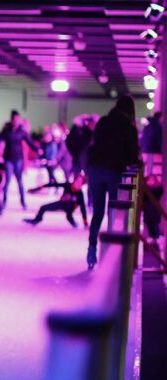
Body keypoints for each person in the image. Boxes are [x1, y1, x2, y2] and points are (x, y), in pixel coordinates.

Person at [86, 94, 140, 269]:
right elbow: (132, 155)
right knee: (113, 212)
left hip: (96, 171)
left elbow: (93, 145)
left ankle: (92, 249)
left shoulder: (102, 122)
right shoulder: (129, 128)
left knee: (98, 212)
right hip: (113, 172)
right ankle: (109, 253)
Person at [0, 110, 38, 211]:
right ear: (11, 119)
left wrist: (37, 149)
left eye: (17, 119)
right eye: (14, 119)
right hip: (8, 159)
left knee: (20, 182)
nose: (16, 121)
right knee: (7, 181)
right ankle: (4, 202)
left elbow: (29, 142)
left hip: (18, 159)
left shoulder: (22, 131)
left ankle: (23, 202)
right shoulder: (6, 131)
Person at [23, 174, 88, 228]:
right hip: (61, 204)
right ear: (74, 180)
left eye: (80, 182)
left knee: (69, 215)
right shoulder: (67, 185)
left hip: (70, 208)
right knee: (43, 207)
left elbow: (83, 208)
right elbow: (52, 185)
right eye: (77, 181)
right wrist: (36, 189)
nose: (77, 183)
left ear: (82, 185)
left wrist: (85, 222)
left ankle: (73, 222)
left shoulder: (80, 194)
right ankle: (36, 220)